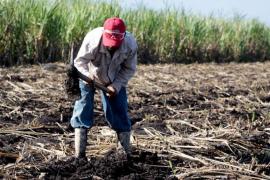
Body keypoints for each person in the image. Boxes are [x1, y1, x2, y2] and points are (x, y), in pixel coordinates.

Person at [70, 17, 137, 159]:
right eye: (109, 43)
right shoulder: (93, 39)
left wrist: (116, 85)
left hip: (113, 79)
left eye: (115, 44)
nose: (111, 47)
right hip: (88, 75)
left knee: (119, 111)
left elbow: (129, 69)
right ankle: (79, 156)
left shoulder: (130, 44)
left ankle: (124, 155)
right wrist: (88, 76)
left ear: (123, 37)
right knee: (83, 108)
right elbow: (79, 62)